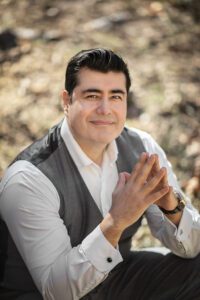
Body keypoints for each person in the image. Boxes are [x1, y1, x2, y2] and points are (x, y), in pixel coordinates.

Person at [0, 48, 200, 300]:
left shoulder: (142, 147)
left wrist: (172, 208)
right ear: (66, 101)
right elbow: (56, 292)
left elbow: (192, 248)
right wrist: (116, 221)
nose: (105, 109)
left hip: (114, 281)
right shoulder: (29, 179)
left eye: (116, 96)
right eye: (92, 95)